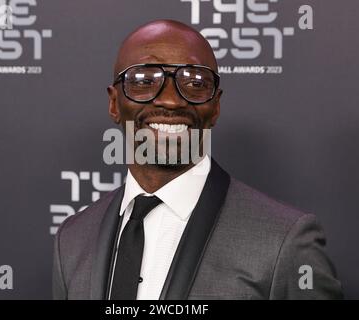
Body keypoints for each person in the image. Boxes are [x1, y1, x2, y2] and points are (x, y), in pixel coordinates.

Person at [52, 19, 343, 300]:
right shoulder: (73, 239)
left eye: (194, 82)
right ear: (115, 103)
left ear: (215, 107)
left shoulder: (285, 241)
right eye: (144, 80)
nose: (171, 100)